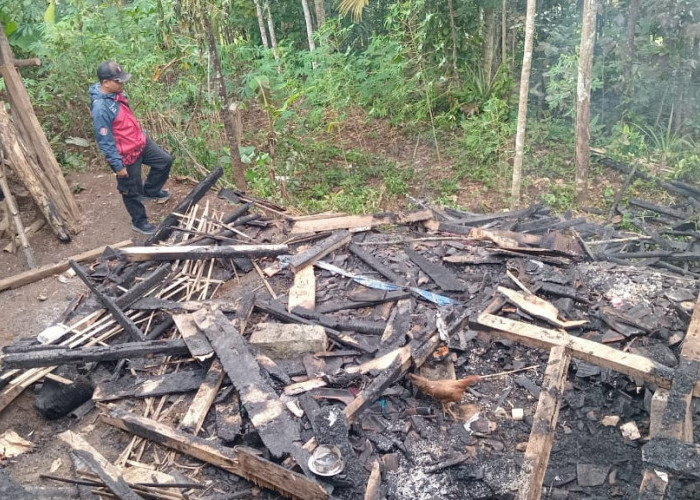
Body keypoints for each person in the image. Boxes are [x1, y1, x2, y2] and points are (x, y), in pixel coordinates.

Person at [89, 61, 172, 235]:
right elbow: (105, 139)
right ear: (106, 83)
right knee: (130, 189)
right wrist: (117, 165)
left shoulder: (116, 94)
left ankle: (151, 191)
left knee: (164, 161)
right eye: (118, 81)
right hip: (125, 153)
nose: (122, 83)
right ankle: (139, 221)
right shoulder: (100, 108)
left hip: (140, 142)